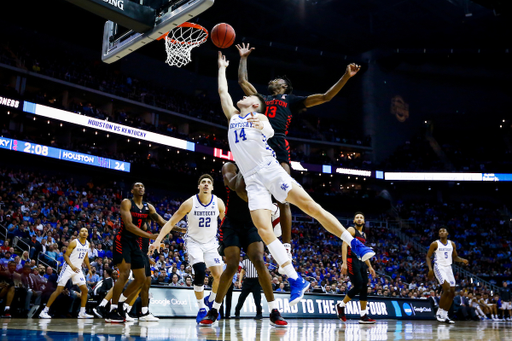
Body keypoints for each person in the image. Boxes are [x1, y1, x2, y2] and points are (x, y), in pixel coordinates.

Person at [214, 52, 374, 307]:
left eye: (248, 97)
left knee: (310, 207)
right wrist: (222, 68)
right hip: (253, 179)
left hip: (271, 166)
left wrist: (261, 124)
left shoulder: (263, 116)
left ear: (256, 104)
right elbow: (224, 93)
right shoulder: (234, 117)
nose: (242, 96)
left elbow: (268, 129)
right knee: (265, 232)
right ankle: (295, 279)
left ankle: (354, 243)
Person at [236, 43, 361, 271]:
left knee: (285, 198)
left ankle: (287, 245)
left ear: (285, 87)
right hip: (259, 145)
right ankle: (268, 209)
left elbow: (324, 97)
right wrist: (243, 58)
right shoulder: (261, 98)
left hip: (279, 145)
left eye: (280, 80)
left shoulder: (291, 100)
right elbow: (243, 83)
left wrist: (346, 76)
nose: (274, 81)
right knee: (239, 187)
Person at [200, 162, 287, 327]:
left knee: (259, 260)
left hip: (252, 223)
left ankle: (274, 311)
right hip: (231, 223)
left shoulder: (262, 167)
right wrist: (250, 166)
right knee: (232, 266)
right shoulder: (229, 166)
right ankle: (214, 310)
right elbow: (233, 185)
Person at [149, 174, 225, 324]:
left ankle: (210, 300)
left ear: (212, 187)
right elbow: (171, 223)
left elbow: (226, 223)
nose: (205, 184)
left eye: (208, 182)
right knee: (200, 271)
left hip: (211, 243)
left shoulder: (219, 203)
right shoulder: (189, 203)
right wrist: (158, 240)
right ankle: (202, 308)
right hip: (194, 242)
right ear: (198, 186)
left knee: (219, 276)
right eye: (203, 182)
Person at [105, 182, 163, 323]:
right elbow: (129, 225)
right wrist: (150, 236)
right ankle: (112, 309)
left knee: (141, 278)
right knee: (124, 274)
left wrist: (180, 229)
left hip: (135, 243)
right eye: (137, 186)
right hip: (122, 240)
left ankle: (121, 304)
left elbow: (162, 221)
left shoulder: (147, 207)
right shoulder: (127, 202)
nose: (141, 187)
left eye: (143, 186)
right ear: (132, 190)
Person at [39, 227, 94, 319]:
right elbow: (65, 255)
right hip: (68, 267)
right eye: (82, 231)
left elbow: (86, 257)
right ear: (79, 233)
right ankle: (44, 311)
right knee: (59, 290)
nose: (84, 233)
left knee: (85, 290)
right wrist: (72, 266)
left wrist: (89, 269)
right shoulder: (74, 242)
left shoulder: (87, 244)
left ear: (88, 234)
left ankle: (82, 312)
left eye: (86, 231)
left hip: (78, 269)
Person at [336, 212, 377, 324]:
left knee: (364, 287)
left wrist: (370, 267)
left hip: (361, 262)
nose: (359, 219)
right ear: (354, 221)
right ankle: (341, 305)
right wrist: (344, 263)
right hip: (351, 260)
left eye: (361, 218)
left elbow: (363, 252)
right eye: (357, 217)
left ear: (364, 221)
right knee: (358, 285)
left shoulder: (364, 235)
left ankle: (363, 315)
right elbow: (344, 244)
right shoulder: (351, 230)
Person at [426, 226, 468, 324]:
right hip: (439, 267)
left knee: (452, 292)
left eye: (443, 231)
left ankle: (445, 314)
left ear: (447, 233)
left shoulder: (452, 244)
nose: (441, 232)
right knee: (447, 289)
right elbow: (428, 257)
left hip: (448, 267)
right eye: (440, 231)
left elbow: (455, 257)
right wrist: (430, 269)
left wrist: (462, 260)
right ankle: (439, 312)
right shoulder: (435, 244)